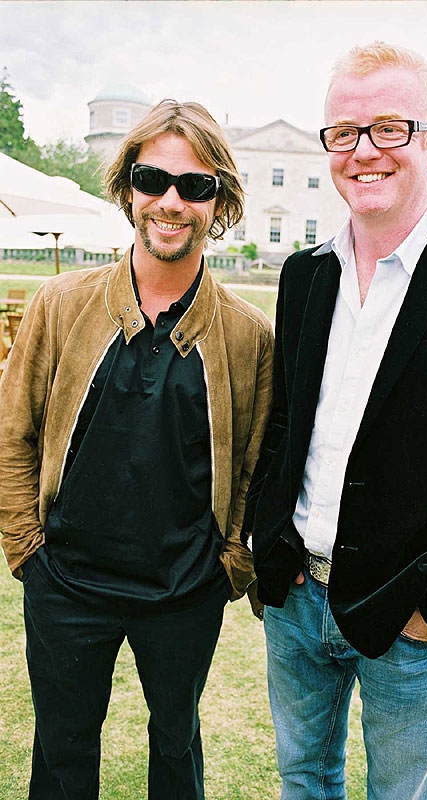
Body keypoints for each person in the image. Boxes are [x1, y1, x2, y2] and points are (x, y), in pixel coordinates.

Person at [243, 42, 427, 800]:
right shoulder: (305, 274)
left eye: (390, 128)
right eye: (345, 132)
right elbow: (285, 424)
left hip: (412, 613)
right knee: (303, 779)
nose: (364, 151)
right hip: (296, 596)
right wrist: (267, 542)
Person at [0, 99, 273, 800]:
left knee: (176, 749)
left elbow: (253, 464)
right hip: (66, 583)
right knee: (60, 754)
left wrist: (229, 561)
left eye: (196, 185)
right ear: (128, 188)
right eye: (153, 179)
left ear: (221, 202)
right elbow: (13, 432)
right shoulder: (61, 304)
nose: (171, 201)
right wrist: (27, 546)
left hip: (184, 592)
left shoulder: (249, 336)